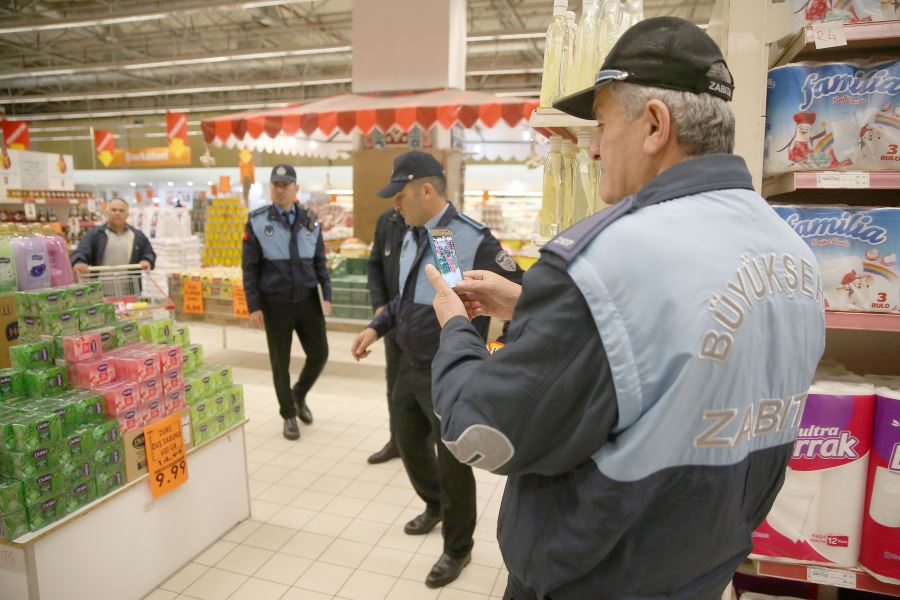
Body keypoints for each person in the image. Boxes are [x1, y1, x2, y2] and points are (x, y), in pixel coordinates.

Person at [423, 18, 826, 600]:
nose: (591, 146)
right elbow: (683, 351)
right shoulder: (793, 253)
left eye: (603, 125)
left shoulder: (606, 259)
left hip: (594, 578)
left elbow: (482, 432)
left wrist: (456, 329)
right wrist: (530, 303)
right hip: (702, 568)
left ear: (655, 126)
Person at [350, 151, 523, 588]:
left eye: (401, 194)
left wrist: (497, 351)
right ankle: (434, 505)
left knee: (452, 461)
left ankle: (458, 547)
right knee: (408, 442)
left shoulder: (463, 238)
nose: (396, 204)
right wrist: (375, 328)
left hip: (446, 371)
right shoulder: (418, 234)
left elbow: (522, 296)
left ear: (427, 190)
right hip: (408, 362)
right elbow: (413, 298)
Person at [243, 164, 332, 441]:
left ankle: (298, 394)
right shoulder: (257, 221)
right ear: (271, 188)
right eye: (275, 185)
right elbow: (250, 268)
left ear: (295, 188)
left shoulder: (310, 219)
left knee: (319, 354)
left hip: (308, 301)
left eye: (285, 185)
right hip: (275, 303)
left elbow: (320, 261)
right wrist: (254, 305)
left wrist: (326, 295)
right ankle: (288, 414)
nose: (280, 189)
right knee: (280, 363)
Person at [365, 207, 406, 464]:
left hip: (431, 335)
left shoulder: (444, 231)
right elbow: (375, 264)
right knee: (394, 386)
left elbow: (452, 281)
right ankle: (398, 441)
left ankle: (433, 446)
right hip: (394, 325)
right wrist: (381, 308)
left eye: (404, 193)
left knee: (432, 394)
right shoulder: (387, 221)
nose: (398, 203)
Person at [71, 197, 155, 272]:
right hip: (100, 287)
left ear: (127, 215)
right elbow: (81, 251)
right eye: (114, 210)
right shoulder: (94, 234)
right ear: (106, 212)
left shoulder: (137, 236)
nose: (117, 213)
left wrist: (147, 260)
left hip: (130, 286)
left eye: (121, 210)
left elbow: (149, 253)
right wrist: (79, 262)